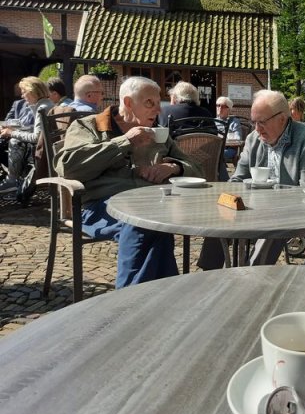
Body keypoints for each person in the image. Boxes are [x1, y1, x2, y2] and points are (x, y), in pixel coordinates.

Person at [54, 77, 203, 288]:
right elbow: (69, 167)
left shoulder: (157, 134)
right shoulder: (90, 126)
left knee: (154, 225)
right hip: (99, 207)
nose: (159, 110)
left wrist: (174, 167)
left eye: (159, 103)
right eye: (150, 103)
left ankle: (146, 299)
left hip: (150, 205)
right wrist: (125, 142)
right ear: (128, 102)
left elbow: (196, 168)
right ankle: (143, 298)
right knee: (145, 224)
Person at [198, 89, 305, 269]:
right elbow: (238, 178)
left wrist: (275, 204)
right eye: (254, 122)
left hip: (289, 210)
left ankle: (251, 275)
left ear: (282, 118)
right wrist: (228, 199)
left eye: (262, 122)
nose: (257, 129)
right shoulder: (253, 139)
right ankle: (208, 273)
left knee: (275, 224)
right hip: (253, 205)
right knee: (221, 214)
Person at [0, 77, 53, 193]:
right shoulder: (46, 104)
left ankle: (12, 181)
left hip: (43, 152)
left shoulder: (42, 108)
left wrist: (12, 133)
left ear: (32, 91)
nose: (22, 96)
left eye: (24, 92)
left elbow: (35, 138)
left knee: (14, 141)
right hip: (47, 147)